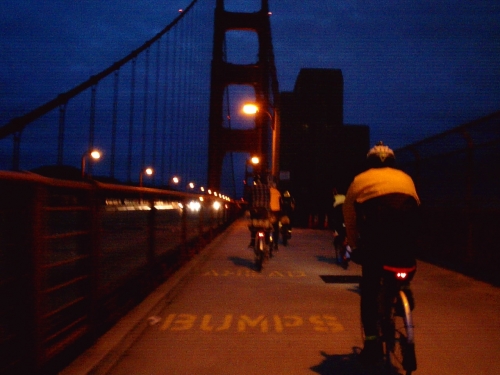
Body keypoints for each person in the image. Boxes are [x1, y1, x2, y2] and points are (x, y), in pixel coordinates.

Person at [343, 141, 420, 366]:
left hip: (375, 246)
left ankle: (372, 343)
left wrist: (354, 245)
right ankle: (404, 288)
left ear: (369, 162)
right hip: (405, 244)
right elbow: (416, 210)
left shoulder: (360, 180)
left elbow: (349, 215)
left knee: (368, 290)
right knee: (403, 268)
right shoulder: (406, 179)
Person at [247, 174, 271, 247]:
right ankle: (267, 241)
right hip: (264, 209)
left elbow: (250, 199)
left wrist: (249, 208)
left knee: (253, 226)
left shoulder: (252, 188)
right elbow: (269, 198)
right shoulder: (267, 188)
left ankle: (253, 241)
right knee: (267, 226)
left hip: (255, 210)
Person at [269, 181, 281, 249]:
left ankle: (267, 241)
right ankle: (276, 244)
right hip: (276, 212)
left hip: (269, 211)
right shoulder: (278, 192)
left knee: (267, 226)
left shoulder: (268, 191)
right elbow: (280, 202)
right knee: (276, 228)